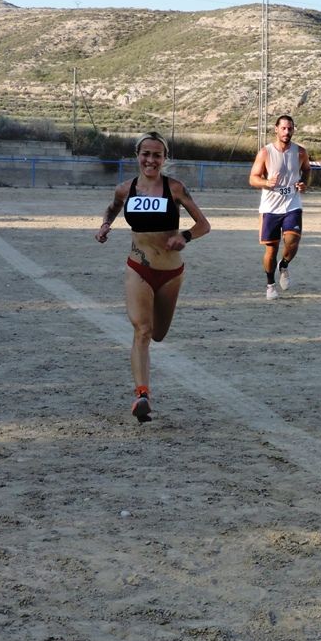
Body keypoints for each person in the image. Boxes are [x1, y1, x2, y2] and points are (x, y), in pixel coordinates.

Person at [94, 131, 211, 423]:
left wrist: (185, 236)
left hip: (171, 273)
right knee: (142, 331)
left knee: (158, 333)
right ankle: (142, 395)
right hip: (138, 267)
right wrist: (105, 225)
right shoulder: (125, 189)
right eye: (145, 153)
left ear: (164, 159)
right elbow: (112, 208)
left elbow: (204, 225)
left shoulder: (175, 188)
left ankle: (143, 391)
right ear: (138, 156)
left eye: (156, 155)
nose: (150, 159)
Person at [249, 115, 311, 300]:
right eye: (283, 128)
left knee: (292, 241)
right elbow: (253, 178)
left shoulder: (300, 152)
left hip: (292, 203)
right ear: (276, 129)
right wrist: (267, 182)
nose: (287, 132)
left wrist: (303, 183)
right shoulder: (265, 152)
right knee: (271, 249)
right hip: (270, 207)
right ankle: (270, 284)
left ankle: (283, 266)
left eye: (290, 128)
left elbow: (307, 169)